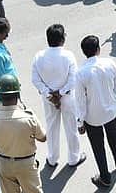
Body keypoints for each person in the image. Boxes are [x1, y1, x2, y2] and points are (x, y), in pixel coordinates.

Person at [74, 34, 116, 188]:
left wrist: (80, 121)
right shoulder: (110, 64)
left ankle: (105, 177)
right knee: (114, 136)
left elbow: (79, 101)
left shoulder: (80, 73)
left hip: (92, 117)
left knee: (98, 147)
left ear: (84, 52)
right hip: (110, 111)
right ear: (98, 49)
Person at [31, 24, 85, 168]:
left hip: (48, 99)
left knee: (51, 127)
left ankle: (52, 158)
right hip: (67, 97)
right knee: (71, 127)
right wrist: (60, 93)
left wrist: (49, 93)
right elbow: (73, 79)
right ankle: (74, 158)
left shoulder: (39, 56)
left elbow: (35, 79)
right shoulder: (68, 55)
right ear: (62, 39)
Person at [0, 73, 47, 193]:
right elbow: (43, 137)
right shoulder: (28, 117)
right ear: (18, 95)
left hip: (4, 163)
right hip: (25, 164)